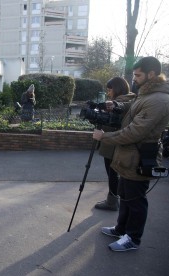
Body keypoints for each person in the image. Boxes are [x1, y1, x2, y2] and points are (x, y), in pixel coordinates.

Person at [93, 56, 169, 251]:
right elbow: (133, 107)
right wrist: (116, 105)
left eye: (137, 75)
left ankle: (133, 239)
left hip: (140, 156)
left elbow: (135, 132)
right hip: (129, 156)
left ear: (151, 74)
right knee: (125, 195)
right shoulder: (145, 94)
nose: (134, 79)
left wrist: (105, 137)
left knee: (136, 200)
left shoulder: (159, 100)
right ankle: (121, 229)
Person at [95, 77, 135, 211]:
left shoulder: (120, 103)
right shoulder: (130, 100)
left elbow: (115, 124)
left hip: (112, 143)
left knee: (112, 174)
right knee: (115, 174)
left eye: (109, 89)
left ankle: (112, 202)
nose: (108, 92)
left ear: (117, 88)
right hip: (115, 142)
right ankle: (113, 200)